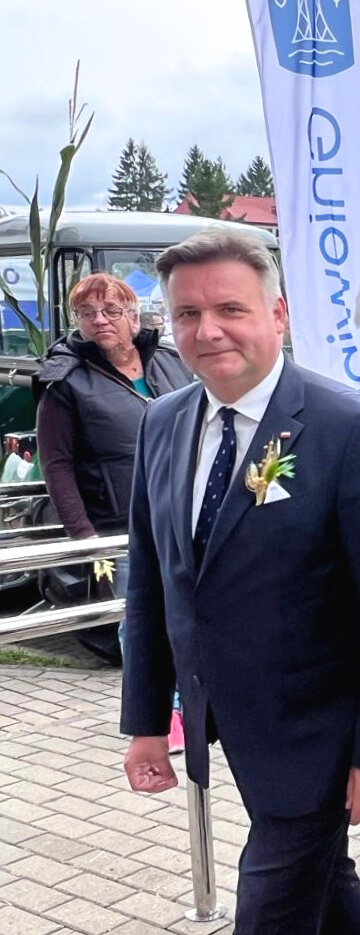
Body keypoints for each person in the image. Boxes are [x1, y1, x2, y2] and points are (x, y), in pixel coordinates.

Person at [120, 228, 360, 935]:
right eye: (187, 313)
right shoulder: (163, 423)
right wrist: (147, 719)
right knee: (317, 877)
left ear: (279, 313)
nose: (208, 329)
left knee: (266, 929)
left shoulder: (349, 429)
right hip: (229, 720)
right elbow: (153, 579)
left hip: (321, 729)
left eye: (230, 307)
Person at [36, 273, 193, 739]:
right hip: (118, 526)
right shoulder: (64, 381)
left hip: (184, 513)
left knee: (189, 613)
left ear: (133, 315)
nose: (99, 320)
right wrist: (85, 539)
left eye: (110, 310)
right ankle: (159, 717)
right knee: (139, 624)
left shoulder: (169, 361)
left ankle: (192, 704)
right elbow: (56, 465)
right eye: (87, 313)